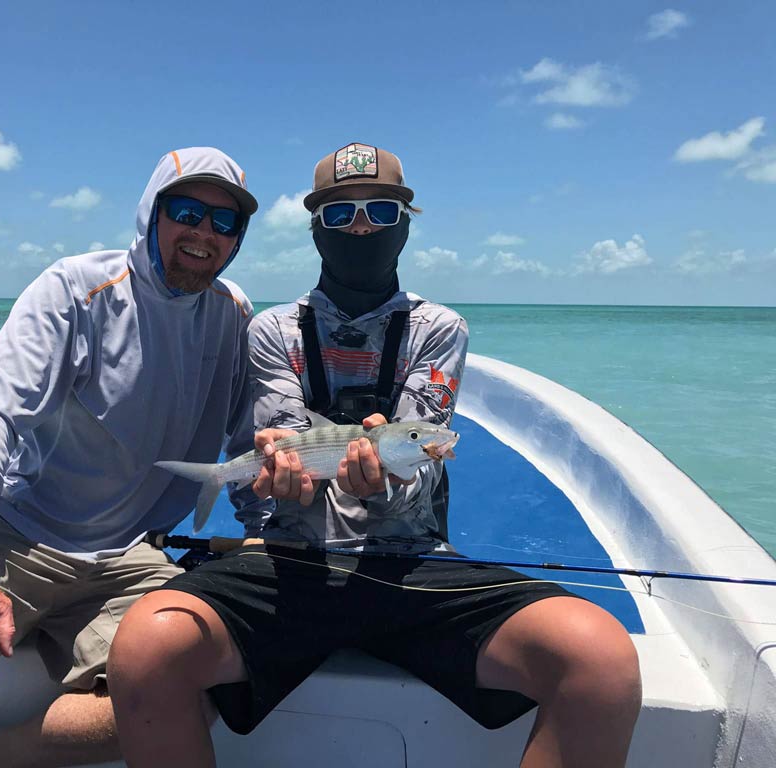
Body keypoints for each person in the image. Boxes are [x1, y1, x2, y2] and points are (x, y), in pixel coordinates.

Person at [109, 143, 643, 768]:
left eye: (379, 211)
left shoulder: (438, 329)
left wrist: (381, 486)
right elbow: (286, 454)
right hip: (293, 562)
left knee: (599, 659)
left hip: (411, 563)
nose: (360, 226)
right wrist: (278, 482)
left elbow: (426, 456)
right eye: (340, 215)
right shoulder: (273, 332)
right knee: (147, 645)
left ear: (406, 222)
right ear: (316, 229)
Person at [0, 147, 259, 768]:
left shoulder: (231, 315)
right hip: (23, 534)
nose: (203, 232)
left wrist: (268, 530)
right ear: (151, 214)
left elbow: (245, 446)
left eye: (224, 222)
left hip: (130, 555)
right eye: (186, 211)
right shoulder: (76, 290)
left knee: (188, 689)